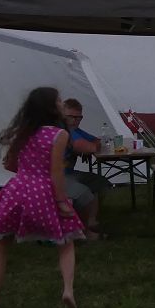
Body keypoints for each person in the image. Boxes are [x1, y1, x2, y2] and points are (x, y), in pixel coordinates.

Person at [0, 86, 85, 308]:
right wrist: (62, 201)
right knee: (66, 241)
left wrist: (27, 171)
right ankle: (68, 290)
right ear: (51, 107)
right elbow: (56, 172)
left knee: (2, 244)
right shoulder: (59, 135)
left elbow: (10, 164)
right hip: (44, 191)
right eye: (59, 100)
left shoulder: (23, 132)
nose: (62, 104)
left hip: (18, 189)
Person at [61, 98, 111, 240]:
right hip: (54, 177)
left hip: (69, 173)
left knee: (100, 182)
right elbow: (85, 146)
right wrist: (87, 149)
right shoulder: (62, 129)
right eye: (71, 117)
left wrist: (89, 148)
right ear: (62, 115)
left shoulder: (75, 130)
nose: (75, 121)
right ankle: (84, 232)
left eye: (79, 117)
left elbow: (96, 141)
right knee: (84, 193)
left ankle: (91, 221)